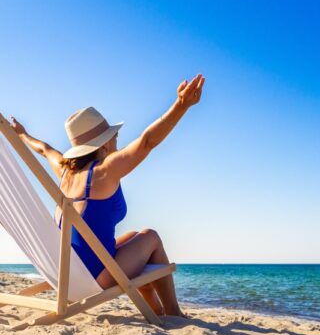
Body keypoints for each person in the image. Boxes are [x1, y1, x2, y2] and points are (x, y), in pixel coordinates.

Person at [10, 73, 205, 317]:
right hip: (93, 278)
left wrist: (21, 135)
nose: (116, 142)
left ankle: (155, 310)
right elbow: (146, 142)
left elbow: (45, 149)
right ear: (103, 146)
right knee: (151, 237)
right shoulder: (104, 171)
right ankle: (174, 312)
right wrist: (181, 105)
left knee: (135, 236)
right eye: (115, 138)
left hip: (68, 275)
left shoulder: (64, 171)